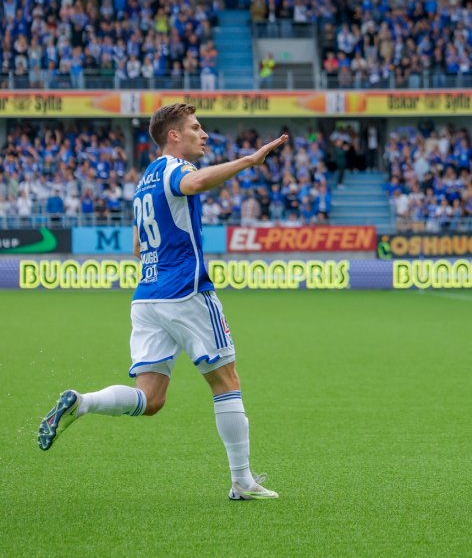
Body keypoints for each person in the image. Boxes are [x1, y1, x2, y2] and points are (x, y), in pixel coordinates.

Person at [36, 103, 288, 501]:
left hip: (147, 297)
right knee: (226, 382)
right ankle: (241, 481)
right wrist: (250, 160)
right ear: (174, 136)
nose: (203, 134)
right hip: (186, 292)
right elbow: (196, 184)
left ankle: (82, 404)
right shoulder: (175, 169)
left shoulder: (144, 181)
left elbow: (138, 246)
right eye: (196, 127)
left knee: (150, 399)